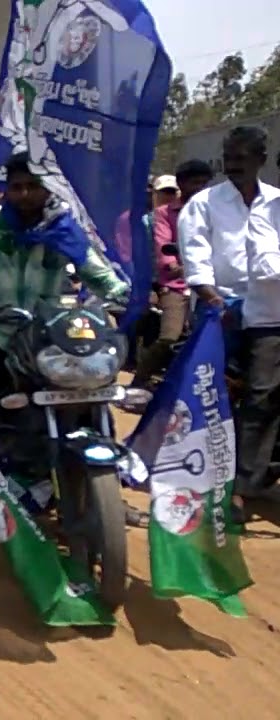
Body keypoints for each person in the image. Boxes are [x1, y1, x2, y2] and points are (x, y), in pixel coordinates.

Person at [0, 151, 129, 422]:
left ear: (47, 189)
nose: (25, 193)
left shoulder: (65, 234)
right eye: (17, 187)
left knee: (95, 393)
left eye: (33, 186)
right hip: (1, 336)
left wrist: (128, 298)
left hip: (52, 338)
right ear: (7, 192)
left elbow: (99, 275)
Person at [179, 125, 280, 522]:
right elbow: (196, 253)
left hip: (270, 313)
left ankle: (243, 485)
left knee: (265, 395)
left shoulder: (276, 203)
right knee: (210, 394)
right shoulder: (203, 204)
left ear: (261, 159)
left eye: (242, 158)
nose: (233, 166)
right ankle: (200, 472)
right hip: (217, 309)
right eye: (229, 158)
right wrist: (210, 296)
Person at [130, 160, 215, 391]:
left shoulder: (215, 211)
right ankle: (139, 379)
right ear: (181, 184)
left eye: (204, 183)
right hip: (177, 285)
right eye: (194, 183)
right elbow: (165, 255)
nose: (199, 188)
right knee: (169, 336)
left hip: (213, 284)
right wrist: (185, 268)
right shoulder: (163, 214)